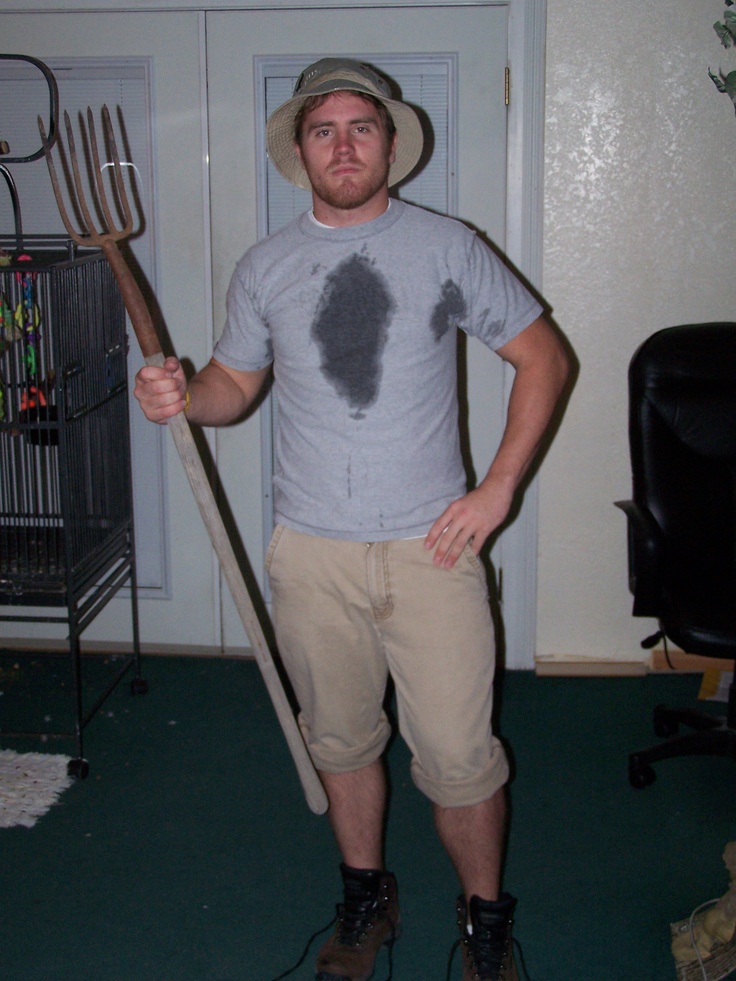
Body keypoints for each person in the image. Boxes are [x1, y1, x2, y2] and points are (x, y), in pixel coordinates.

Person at [134, 58, 570, 981]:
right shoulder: (268, 265)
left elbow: (544, 360)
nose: (343, 143)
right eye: (323, 128)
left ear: (392, 145)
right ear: (300, 150)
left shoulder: (448, 246)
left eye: (360, 127)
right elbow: (231, 389)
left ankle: (484, 919)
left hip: (431, 550)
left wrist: (496, 491)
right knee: (340, 741)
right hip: (311, 553)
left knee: (461, 758)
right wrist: (180, 392)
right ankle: (367, 895)